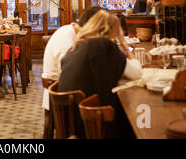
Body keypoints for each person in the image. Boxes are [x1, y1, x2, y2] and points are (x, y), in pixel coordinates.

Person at [58, 10, 142, 138]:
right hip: (95, 125)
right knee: (137, 115)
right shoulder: (104, 45)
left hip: (72, 125)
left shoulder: (75, 47)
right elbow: (137, 73)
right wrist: (124, 45)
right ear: (112, 31)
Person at [41, 6, 104, 110]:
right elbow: (72, 75)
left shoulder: (69, 30)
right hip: (63, 100)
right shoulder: (66, 41)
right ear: (92, 26)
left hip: (64, 92)